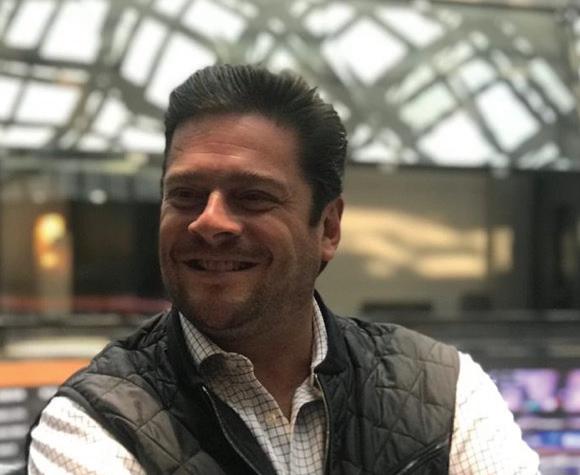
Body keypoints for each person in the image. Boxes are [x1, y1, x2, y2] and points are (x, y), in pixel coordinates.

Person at [27, 64, 539, 474]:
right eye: (185, 194)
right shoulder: (93, 423)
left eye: (252, 197)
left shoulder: (442, 390)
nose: (210, 221)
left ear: (328, 228)